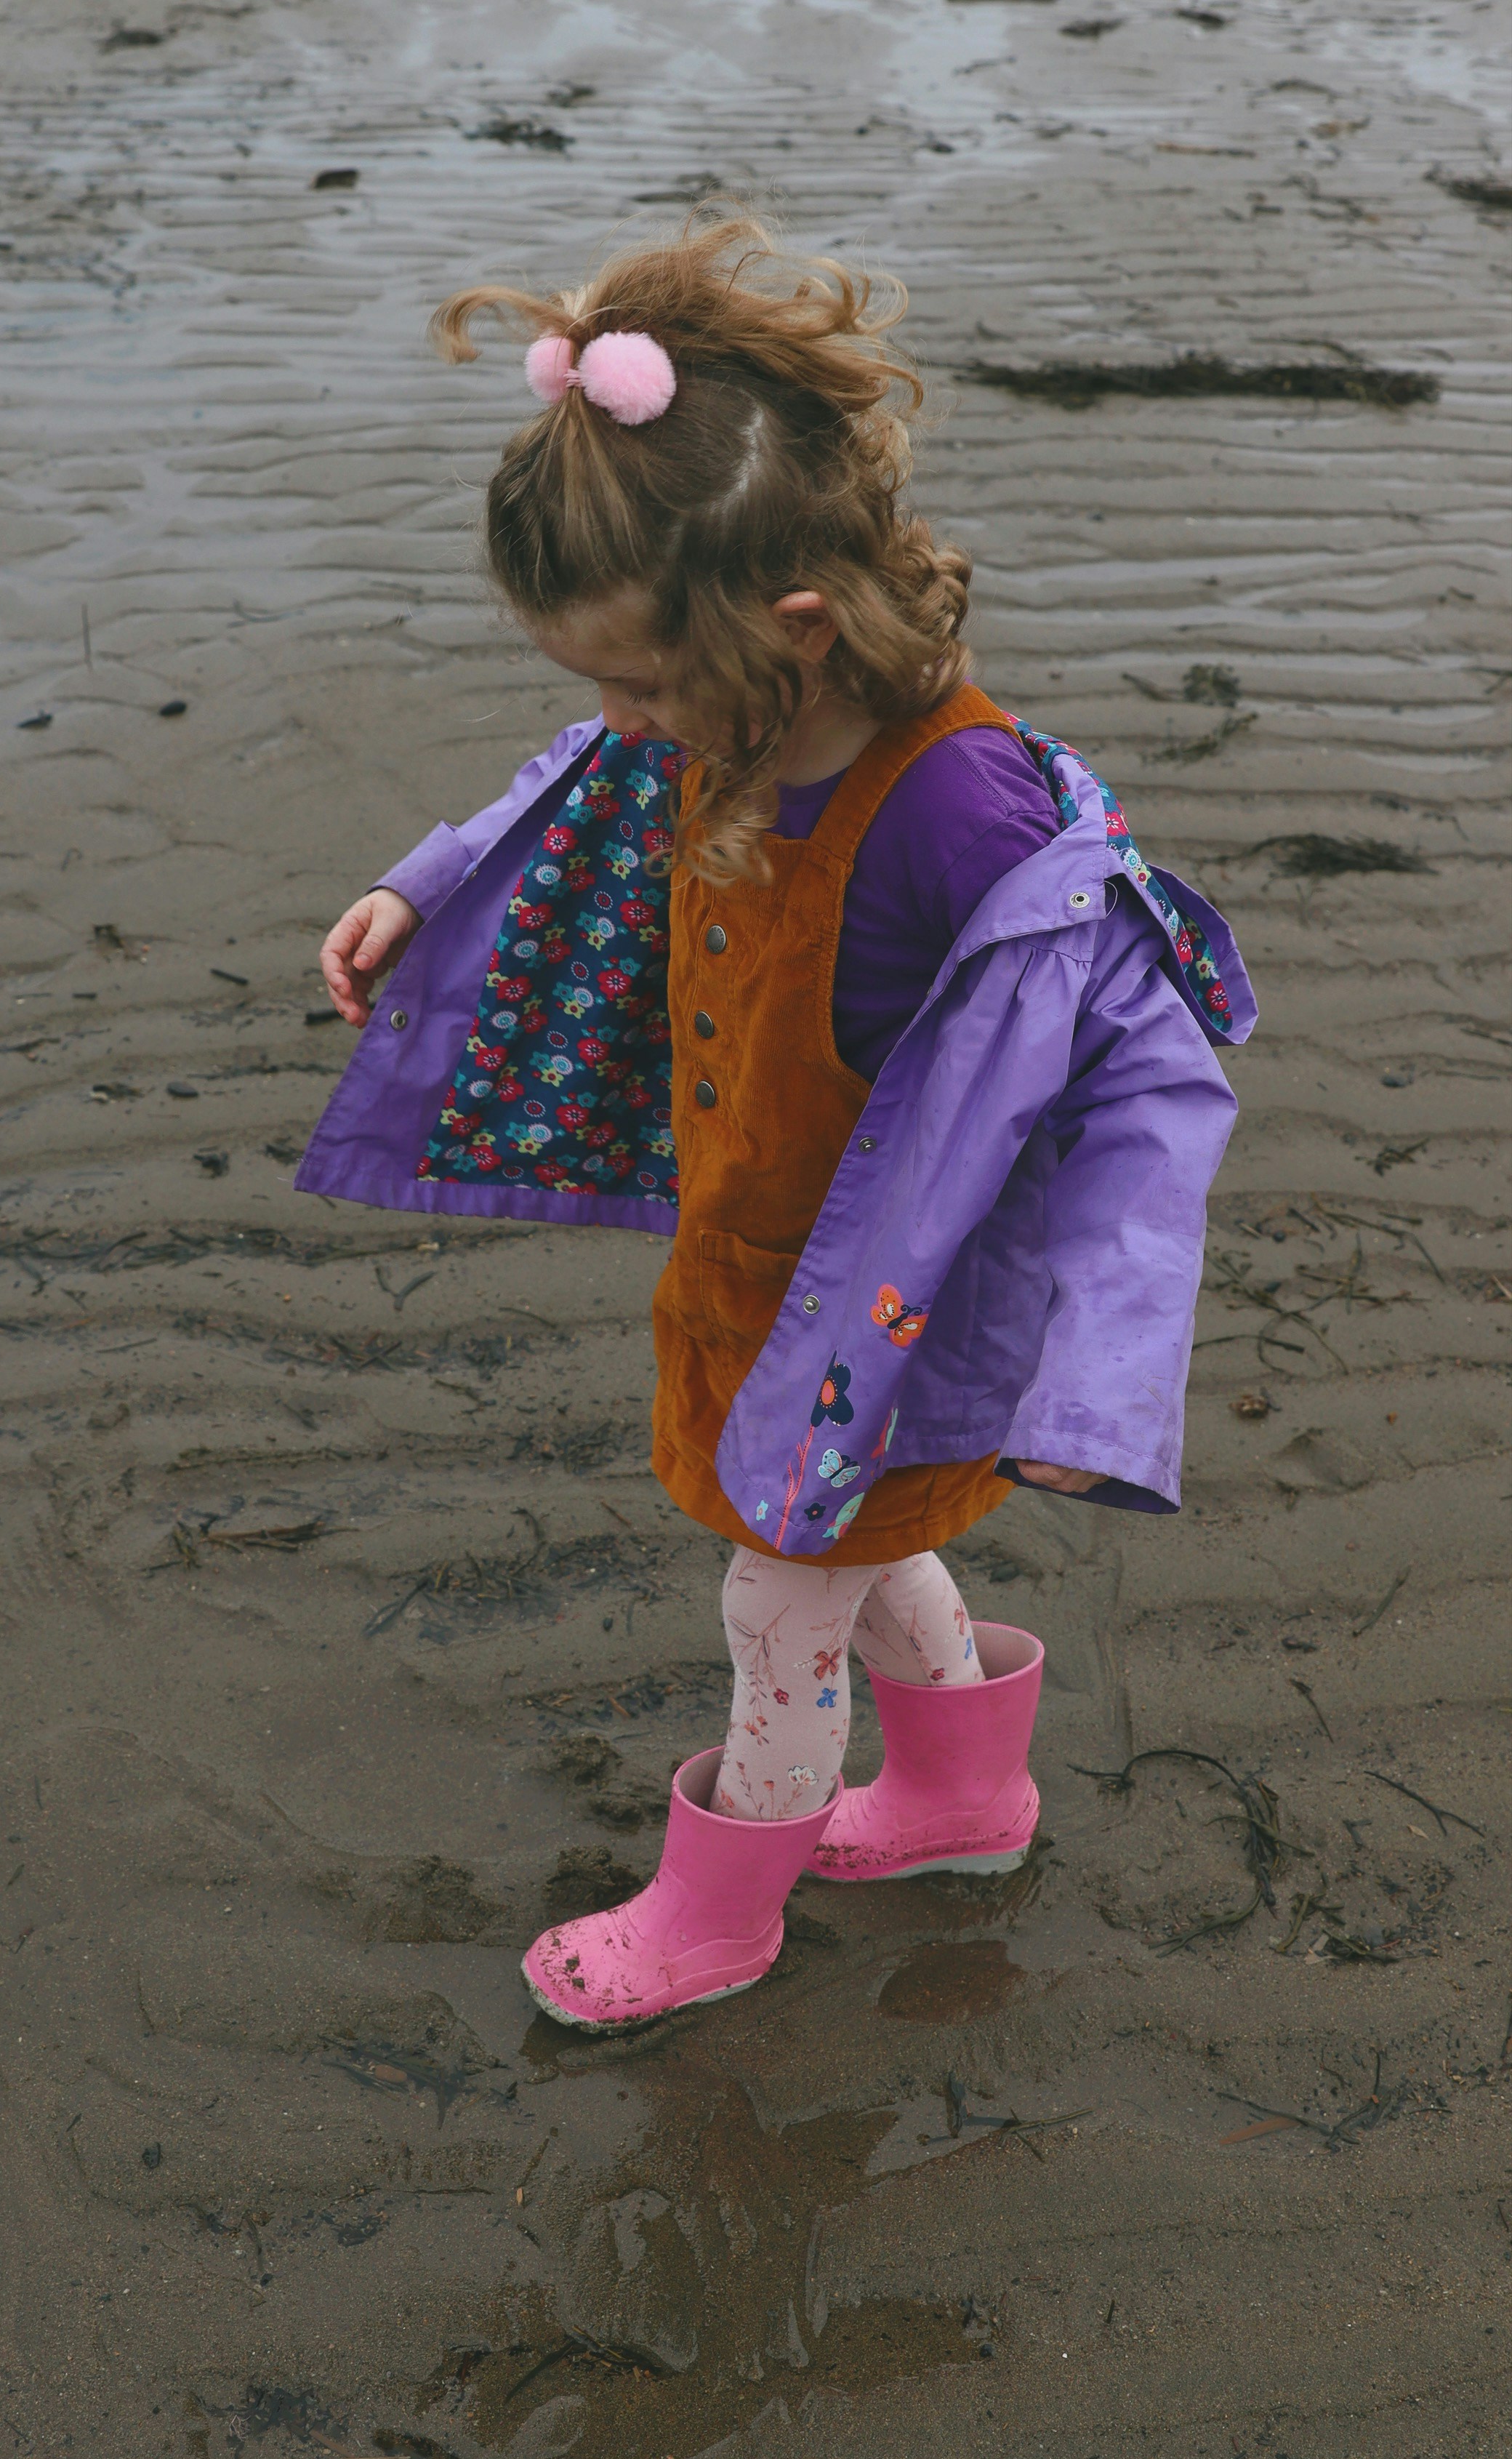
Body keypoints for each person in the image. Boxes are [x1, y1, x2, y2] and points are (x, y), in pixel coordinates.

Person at [300, 217, 1252, 2032]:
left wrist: (1095, 1380)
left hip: (886, 1297)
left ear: (791, 627)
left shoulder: (962, 806)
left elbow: (1146, 1059)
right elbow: (572, 783)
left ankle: (721, 1910)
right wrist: (428, 886)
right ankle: (969, 1802)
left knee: (777, 1597)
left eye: (643, 685)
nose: (618, 724)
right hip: (758, 1260)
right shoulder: (732, 718)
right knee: (854, 1539)